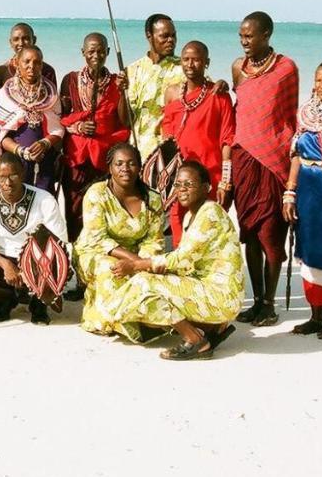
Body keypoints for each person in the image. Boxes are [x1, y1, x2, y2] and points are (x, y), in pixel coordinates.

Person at [78, 153, 243, 359]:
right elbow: (184, 264)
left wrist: (138, 265)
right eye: (178, 184)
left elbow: (180, 259)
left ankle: (195, 340)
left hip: (221, 295)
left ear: (206, 188)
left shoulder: (210, 212)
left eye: (188, 185)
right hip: (208, 289)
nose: (182, 190)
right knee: (150, 283)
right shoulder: (192, 214)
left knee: (145, 285)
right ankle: (211, 326)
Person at [229, 11, 299, 327]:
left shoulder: (286, 68)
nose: (245, 42)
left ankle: (269, 303)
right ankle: (256, 300)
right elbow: (239, 109)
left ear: (267, 34)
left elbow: (289, 117)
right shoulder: (237, 68)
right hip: (244, 159)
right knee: (250, 235)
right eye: (242, 36)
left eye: (250, 36)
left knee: (270, 233)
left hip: (273, 161)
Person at [73, 143, 167, 343]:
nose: (125, 168)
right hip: (94, 252)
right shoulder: (96, 194)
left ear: (140, 167)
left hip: (137, 256)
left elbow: (154, 239)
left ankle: (147, 316)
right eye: (119, 164)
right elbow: (98, 238)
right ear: (110, 168)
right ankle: (122, 323)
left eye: (132, 163)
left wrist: (142, 262)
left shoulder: (153, 199)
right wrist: (135, 262)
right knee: (111, 269)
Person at [282, 60, 322, 337]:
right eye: (318, 79)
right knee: (308, 249)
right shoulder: (304, 112)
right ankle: (315, 315)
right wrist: (290, 192)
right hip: (306, 186)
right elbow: (296, 153)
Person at [0, 154, 68, 324]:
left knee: (53, 265)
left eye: (13, 175)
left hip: (36, 258)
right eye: (2, 177)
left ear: (22, 174)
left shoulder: (44, 199)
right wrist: (5, 264)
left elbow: (59, 242)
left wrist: (34, 267)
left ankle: (39, 303)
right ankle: (5, 300)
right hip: (2, 255)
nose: (7, 183)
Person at [161, 41, 235, 244]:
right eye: (186, 59)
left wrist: (225, 181)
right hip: (181, 175)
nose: (190, 64)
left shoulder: (218, 95)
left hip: (211, 175)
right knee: (177, 223)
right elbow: (167, 132)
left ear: (206, 62)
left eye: (196, 60)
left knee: (208, 230)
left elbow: (227, 140)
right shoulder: (172, 93)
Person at [59, 32, 130, 242]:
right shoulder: (71, 80)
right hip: (77, 155)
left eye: (100, 51)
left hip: (106, 155)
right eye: (91, 51)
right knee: (74, 209)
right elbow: (61, 116)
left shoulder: (118, 81)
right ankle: (78, 255)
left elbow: (125, 121)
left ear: (108, 52)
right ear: (83, 53)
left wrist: (124, 92)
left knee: (105, 206)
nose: (96, 55)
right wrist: (79, 126)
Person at [0, 45, 63, 194]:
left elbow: (58, 128)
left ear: (42, 65)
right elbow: (1, 135)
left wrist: (45, 143)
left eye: (37, 62)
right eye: (27, 61)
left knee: (43, 203)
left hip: (44, 161)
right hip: (15, 163)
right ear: (17, 63)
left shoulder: (50, 94)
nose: (32, 66)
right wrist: (22, 151)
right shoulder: (6, 94)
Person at [124, 14, 186, 161]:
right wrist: (122, 92)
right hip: (137, 149)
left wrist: (220, 84)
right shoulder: (133, 70)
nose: (171, 40)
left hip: (169, 150)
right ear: (149, 36)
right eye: (164, 36)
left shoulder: (184, 67)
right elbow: (127, 119)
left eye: (173, 35)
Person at [0, 22, 57, 87]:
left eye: (25, 38)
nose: (21, 43)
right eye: (16, 39)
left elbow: (53, 95)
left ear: (34, 40)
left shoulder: (47, 71)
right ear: (11, 42)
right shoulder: (2, 71)